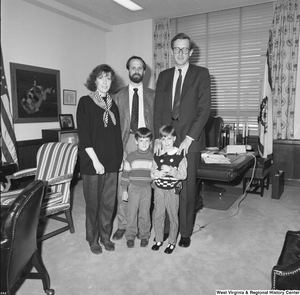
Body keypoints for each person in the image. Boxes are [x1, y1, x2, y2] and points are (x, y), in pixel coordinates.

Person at [153, 33, 211, 248]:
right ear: (171, 51)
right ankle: (168, 229)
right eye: (176, 49)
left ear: (191, 52)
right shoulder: (164, 75)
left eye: (184, 49)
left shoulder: (201, 74)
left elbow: (204, 111)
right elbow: (158, 110)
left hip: (190, 139)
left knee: (186, 188)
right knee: (165, 185)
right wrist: (160, 138)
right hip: (166, 139)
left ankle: (185, 232)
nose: (180, 53)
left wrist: (188, 139)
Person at [76, 64, 123, 254]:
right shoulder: (85, 102)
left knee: (108, 204)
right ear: (94, 80)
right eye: (101, 78)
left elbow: (116, 136)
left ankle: (105, 237)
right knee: (93, 204)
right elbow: (84, 135)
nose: (105, 82)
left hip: (112, 162)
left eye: (108, 78)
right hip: (92, 163)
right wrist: (95, 161)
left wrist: (119, 159)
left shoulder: (114, 105)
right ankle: (92, 239)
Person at [112, 56, 155, 241]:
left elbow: (160, 120)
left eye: (140, 68)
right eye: (133, 67)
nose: (136, 70)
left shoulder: (153, 95)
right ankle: (123, 224)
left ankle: (143, 225)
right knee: (125, 181)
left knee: (147, 183)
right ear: (128, 70)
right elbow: (113, 126)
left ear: (144, 72)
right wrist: (118, 147)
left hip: (148, 141)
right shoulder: (118, 96)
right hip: (127, 140)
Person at [151, 125, 187, 254]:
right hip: (159, 190)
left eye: (169, 139)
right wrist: (155, 174)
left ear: (174, 139)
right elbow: (152, 170)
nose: (166, 142)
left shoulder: (180, 155)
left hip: (172, 190)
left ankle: (172, 242)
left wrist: (170, 170)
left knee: (172, 216)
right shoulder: (157, 154)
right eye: (163, 139)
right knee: (158, 215)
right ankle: (159, 239)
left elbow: (183, 175)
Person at [120, 127, 153, 248]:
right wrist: (124, 190)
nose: (144, 143)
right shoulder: (131, 157)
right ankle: (130, 235)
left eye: (146, 141)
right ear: (136, 141)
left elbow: (154, 175)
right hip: (133, 188)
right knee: (132, 213)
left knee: (145, 213)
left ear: (150, 142)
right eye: (141, 140)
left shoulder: (153, 158)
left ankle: (144, 235)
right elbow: (125, 174)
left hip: (147, 189)